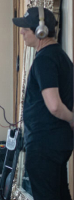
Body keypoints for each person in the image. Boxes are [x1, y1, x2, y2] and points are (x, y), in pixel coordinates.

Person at [13, 7, 73, 200]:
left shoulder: (45, 60)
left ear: (41, 31)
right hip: (56, 144)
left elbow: (54, 105)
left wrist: (72, 119)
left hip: (44, 147)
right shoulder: (62, 57)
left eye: (26, 28)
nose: (22, 32)